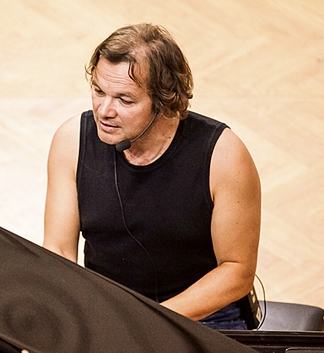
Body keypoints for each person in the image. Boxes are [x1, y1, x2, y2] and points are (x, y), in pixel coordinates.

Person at [42, 23, 261, 330]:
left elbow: (237, 270)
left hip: (203, 314)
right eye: (99, 91)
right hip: (110, 309)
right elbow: (59, 251)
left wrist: (146, 323)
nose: (104, 111)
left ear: (163, 101)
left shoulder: (224, 156)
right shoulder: (71, 141)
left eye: (124, 100)